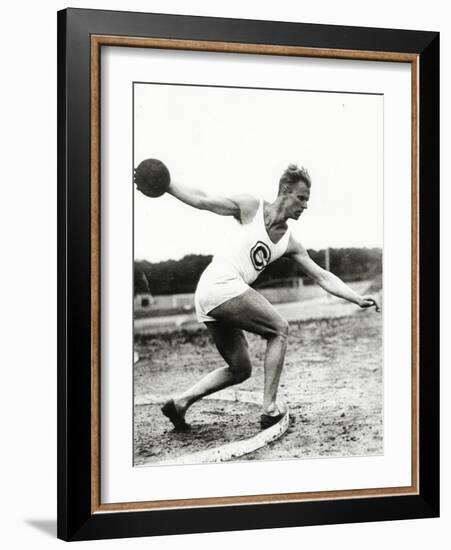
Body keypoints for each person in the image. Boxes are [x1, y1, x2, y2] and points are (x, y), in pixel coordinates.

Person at [161, 164, 380, 431]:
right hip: (219, 283)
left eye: (307, 200)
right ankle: (269, 409)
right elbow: (204, 200)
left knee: (240, 369)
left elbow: (322, 276)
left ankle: (180, 403)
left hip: (211, 295)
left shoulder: (289, 242)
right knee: (279, 329)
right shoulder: (251, 207)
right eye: (301, 198)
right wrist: (167, 184)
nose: (305, 206)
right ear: (285, 192)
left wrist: (356, 297)